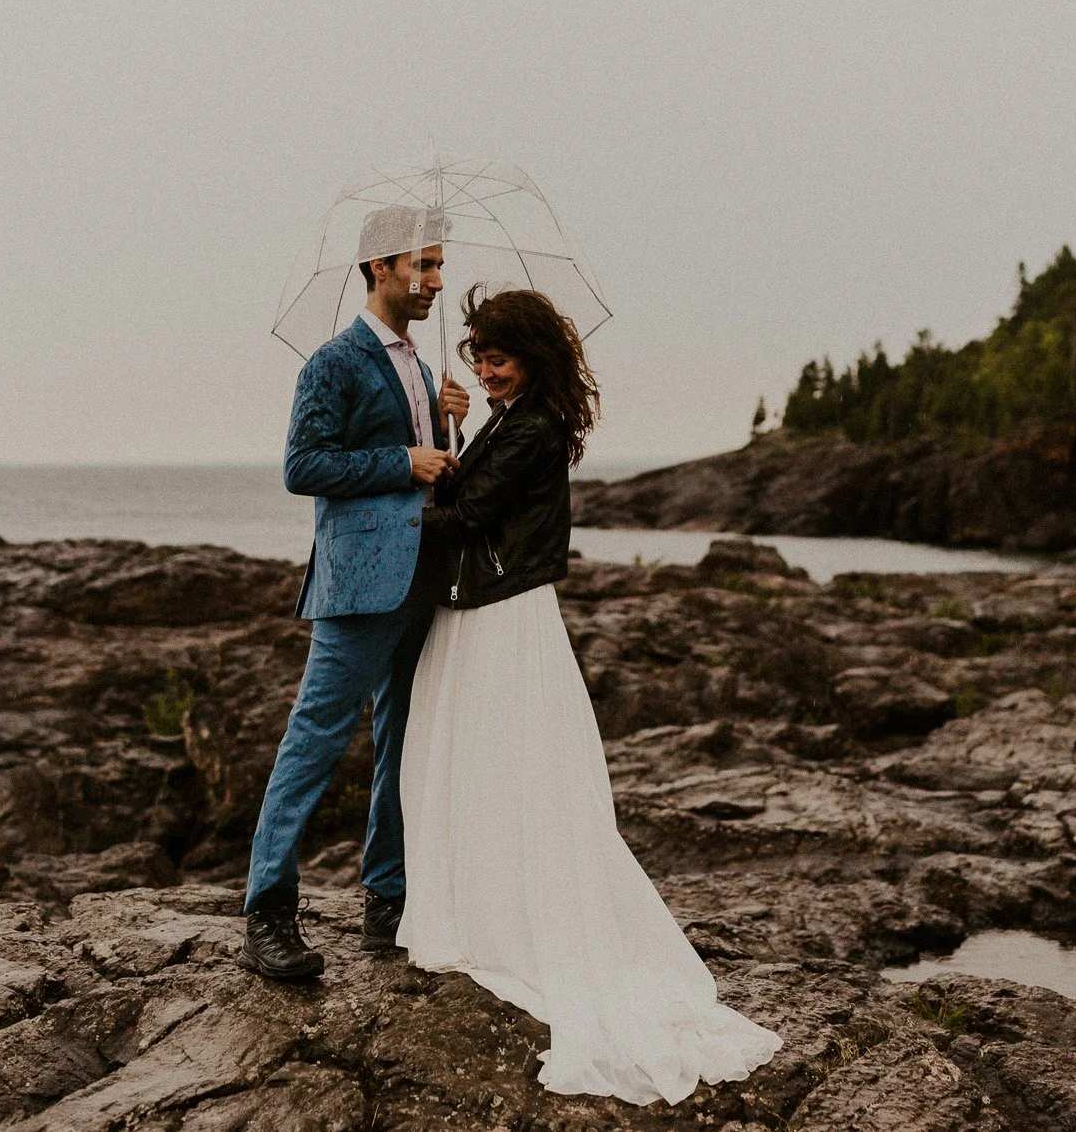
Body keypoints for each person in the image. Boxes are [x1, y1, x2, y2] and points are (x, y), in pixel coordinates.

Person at [397, 286, 781, 1105]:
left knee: (505, 761)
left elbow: (464, 513)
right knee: (492, 763)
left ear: (531, 356)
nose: (485, 369)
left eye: (496, 357)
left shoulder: (532, 426)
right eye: (476, 356)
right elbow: (475, 495)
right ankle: (488, 905)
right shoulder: (521, 418)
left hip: (501, 612)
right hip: (495, 605)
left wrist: (393, 483)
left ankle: (505, 917)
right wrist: (456, 428)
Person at [241, 205, 469, 980]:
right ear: (380, 268)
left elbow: (434, 475)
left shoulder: (424, 369)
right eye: (424, 265)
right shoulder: (332, 362)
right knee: (314, 741)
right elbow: (303, 466)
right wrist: (401, 460)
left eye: (440, 265)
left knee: (403, 741)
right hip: (358, 584)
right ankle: (268, 909)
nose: (437, 280)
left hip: (423, 579)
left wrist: (450, 432)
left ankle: (388, 901)